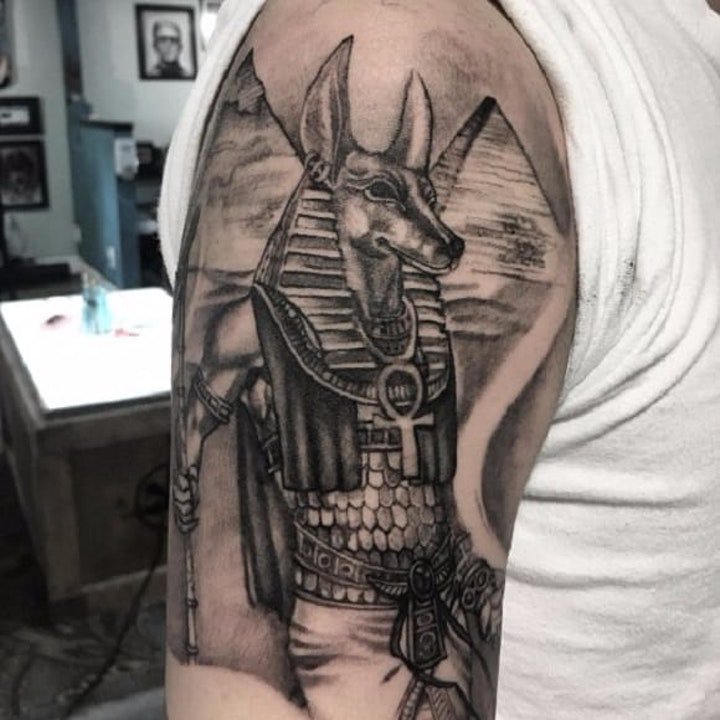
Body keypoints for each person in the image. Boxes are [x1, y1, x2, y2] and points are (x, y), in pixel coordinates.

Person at [159, 1, 720, 718]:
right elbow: (216, 389)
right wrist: (197, 462)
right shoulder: (401, 32)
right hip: (352, 639)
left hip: (433, 618)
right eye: (384, 197)